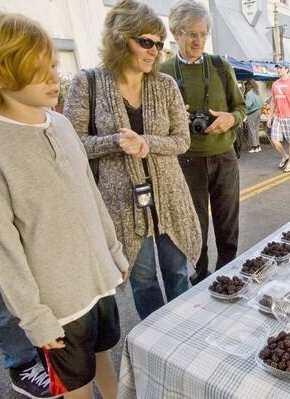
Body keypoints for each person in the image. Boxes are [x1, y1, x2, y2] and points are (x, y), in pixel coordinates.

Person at [0, 11, 130, 398]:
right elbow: (2, 248)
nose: (53, 76)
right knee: (76, 383)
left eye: (52, 64)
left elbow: (91, 196)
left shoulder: (63, 125)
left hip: (98, 281)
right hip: (58, 304)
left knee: (105, 354)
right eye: (36, 69)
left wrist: (113, 252)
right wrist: (34, 316)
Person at [65, 0, 202, 319]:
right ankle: (155, 340)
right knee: (143, 281)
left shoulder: (165, 85)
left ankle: (184, 329)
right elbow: (72, 144)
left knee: (178, 273)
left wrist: (146, 143)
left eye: (158, 43)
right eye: (145, 42)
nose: (154, 50)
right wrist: (116, 142)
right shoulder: (88, 83)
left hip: (169, 198)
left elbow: (182, 140)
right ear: (119, 38)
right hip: (123, 205)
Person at [160, 0, 246, 285]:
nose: (198, 41)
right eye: (191, 33)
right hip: (186, 162)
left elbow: (241, 108)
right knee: (194, 227)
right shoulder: (163, 72)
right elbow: (154, 122)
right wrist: (174, 119)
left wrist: (229, 119)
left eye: (203, 34)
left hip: (224, 157)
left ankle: (228, 276)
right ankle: (200, 281)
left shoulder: (221, 66)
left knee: (227, 225)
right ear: (175, 32)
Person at [267, 64, 290, 173]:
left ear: (287, 69)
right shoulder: (275, 84)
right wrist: (270, 117)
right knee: (274, 139)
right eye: (277, 68)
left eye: (280, 68)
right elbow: (273, 101)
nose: (278, 70)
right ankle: (285, 155)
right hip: (278, 116)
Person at [244, 79, 263, 153]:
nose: (245, 87)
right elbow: (262, 102)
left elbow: (248, 105)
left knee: (251, 130)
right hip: (258, 111)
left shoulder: (249, 93)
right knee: (256, 129)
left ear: (249, 85)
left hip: (252, 112)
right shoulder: (256, 92)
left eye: (246, 86)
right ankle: (258, 146)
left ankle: (254, 147)